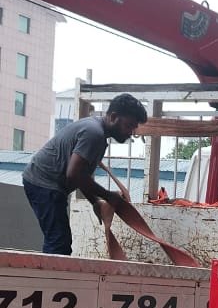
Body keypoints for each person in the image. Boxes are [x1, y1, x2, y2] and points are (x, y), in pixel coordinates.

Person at [22, 93, 148, 255]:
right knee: (58, 242)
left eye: (134, 128)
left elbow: (81, 175)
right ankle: (49, 272)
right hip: (44, 182)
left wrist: (95, 201)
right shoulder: (94, 133)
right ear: (113, 117)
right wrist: (108, 196)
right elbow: (74, 174)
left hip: (46, 182)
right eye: (129, 125)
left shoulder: (98, 134)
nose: (131, 132)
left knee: (59, 240)